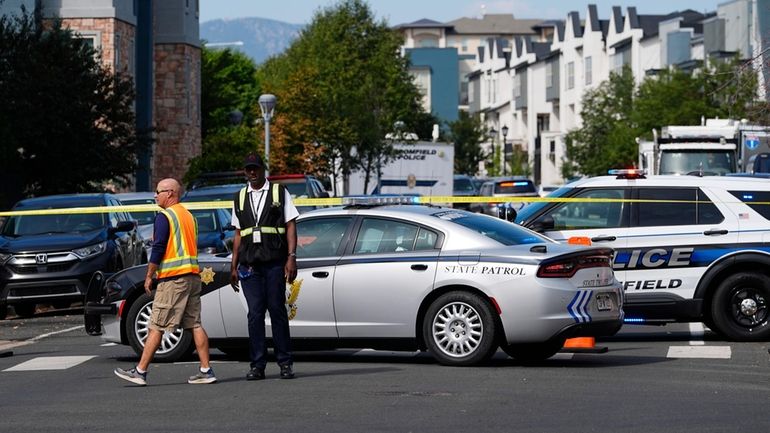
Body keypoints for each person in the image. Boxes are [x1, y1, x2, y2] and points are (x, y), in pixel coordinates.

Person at [114, 178, 216, 386]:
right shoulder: (189, 216)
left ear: (170, 193)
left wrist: (149, 275)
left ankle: (140, 371)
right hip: (192, 276)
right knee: (195, 323)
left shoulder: (164, 216)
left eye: (158, 191)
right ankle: (206, 370)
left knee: (156, 325)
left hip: (173, 279)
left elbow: (159, 248)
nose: (155, 195)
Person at [230, 153, 298, 380]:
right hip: (250, 266)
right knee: (255, 314)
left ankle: (285, 363)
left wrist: (291, 257)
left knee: (277, 311)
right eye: (248, 169)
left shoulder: (279, 192)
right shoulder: (239, 197)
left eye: (255, 168)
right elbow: (238, 234)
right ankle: (257, 365)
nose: (252, 172)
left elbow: (290, 225)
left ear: (262, 170)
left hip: (274, 263)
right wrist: (233, 265)